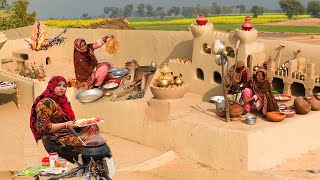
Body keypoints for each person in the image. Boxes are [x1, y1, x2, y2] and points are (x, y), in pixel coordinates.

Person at [29, 76, 104, 163]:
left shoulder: (64, 102)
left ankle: (93, 162)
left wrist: (80, 125)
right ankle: (90, 162)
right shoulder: (45, 103)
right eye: (58, 85)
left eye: (64, 86)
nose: (62, 88)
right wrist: (66, 125)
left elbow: (69, 122)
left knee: (93, 127)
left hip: (67, 133)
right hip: (54, 139)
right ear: (51, 86)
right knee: (89, 141)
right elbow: (43, 128)